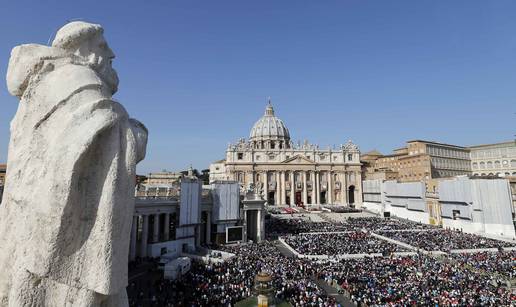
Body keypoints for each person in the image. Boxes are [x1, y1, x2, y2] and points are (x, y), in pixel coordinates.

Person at [0, 21, 147, 306]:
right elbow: (110, 132)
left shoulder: (45, 88)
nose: (112, 55)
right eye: (104, 48)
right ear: (85, 52)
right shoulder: (76, 84)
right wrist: (138, 132)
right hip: (66, 246)